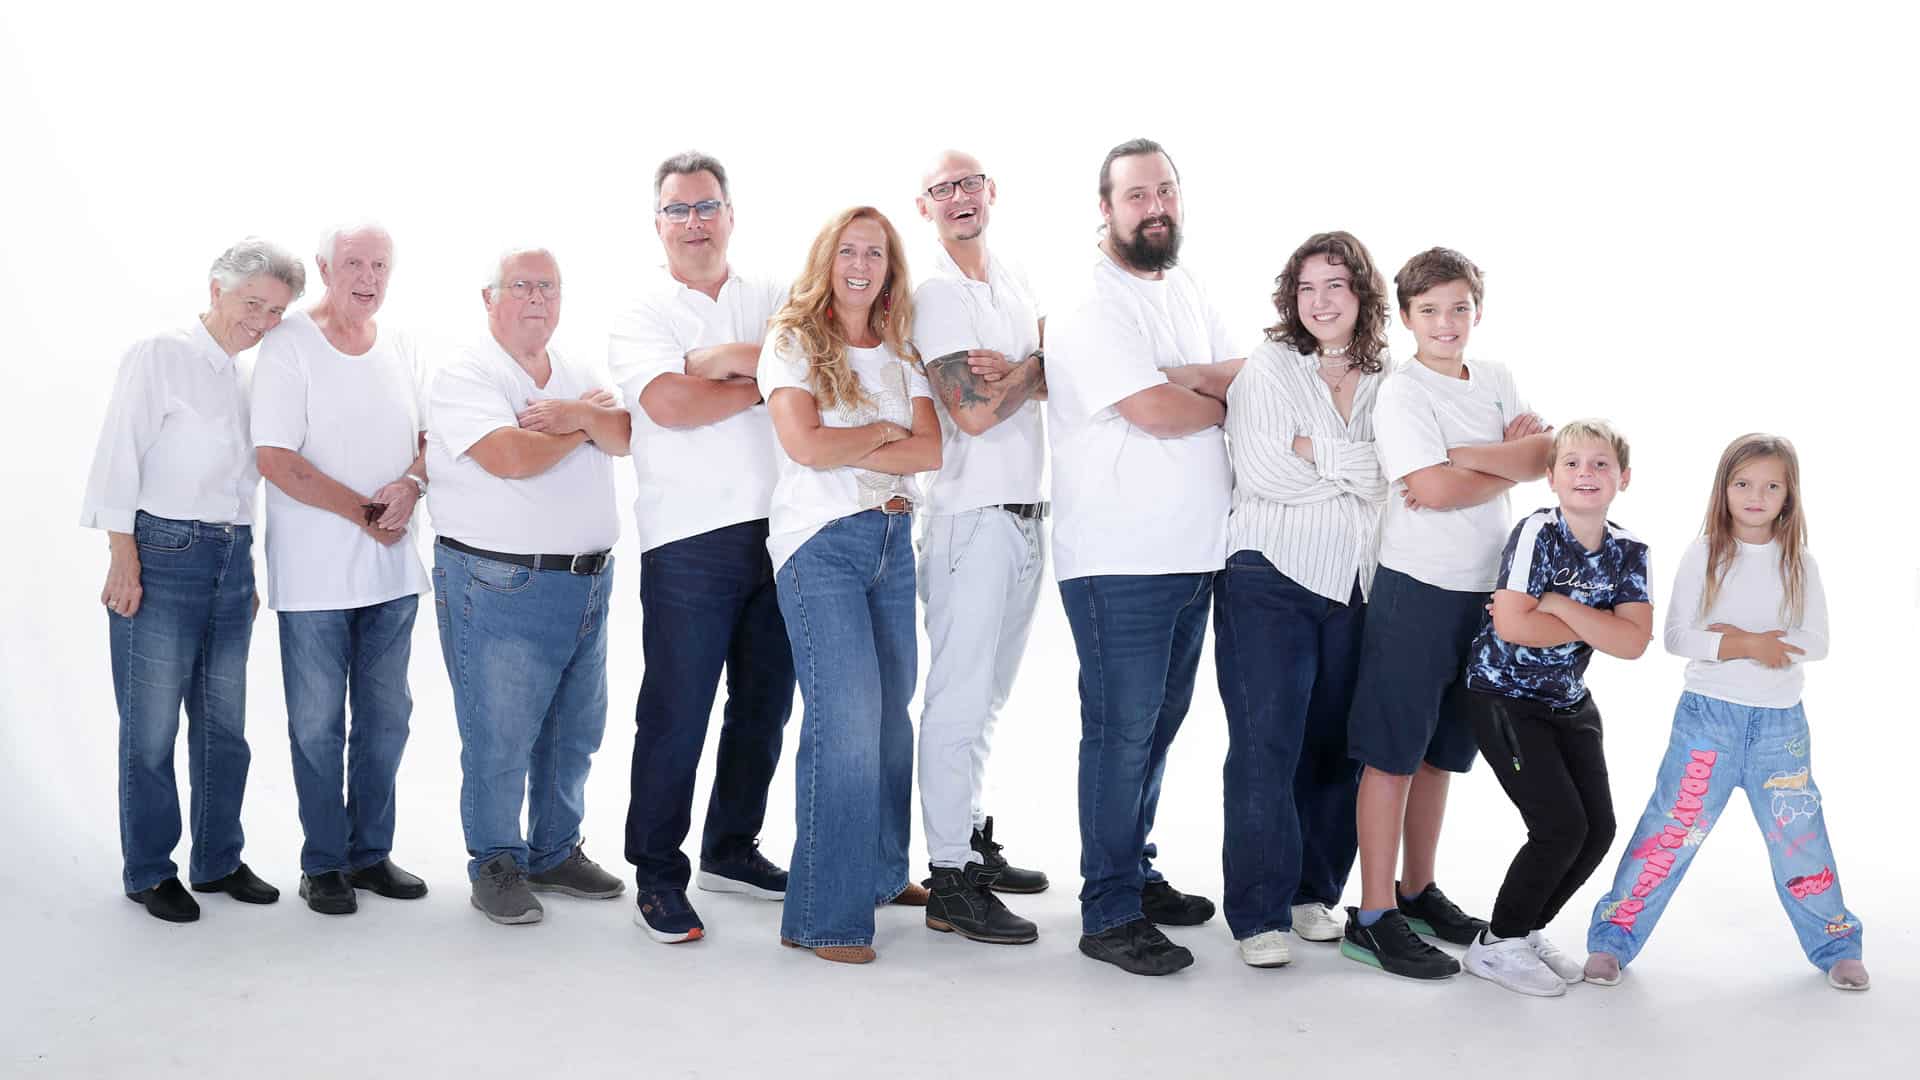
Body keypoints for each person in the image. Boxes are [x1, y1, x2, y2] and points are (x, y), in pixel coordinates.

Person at [1046, 138, 1240, 976]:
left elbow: (1248, 375)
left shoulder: (1186, 286)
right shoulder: (1091, 302)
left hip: (1194, 556)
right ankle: (1109, 911)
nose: (1154, 206)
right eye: (1136, 194)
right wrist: (1204, 393)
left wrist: (1190, 378)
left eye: (1165, 190)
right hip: (1118, 562)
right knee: (1120, 734)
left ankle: (1134, 868)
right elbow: (1157, 412)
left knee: (1157, 728)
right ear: (1106, 208)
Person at [1584, 434, 1869, 991]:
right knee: (1669, 830)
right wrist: (1749, 643)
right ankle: (1613, 939)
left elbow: (1816, 643)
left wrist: (1738, 638)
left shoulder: (1799, 562)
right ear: (1724, 489)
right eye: (1743, 484)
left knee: (1800, 838)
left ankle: (1837, 944)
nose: (1755, 496)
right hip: (1707, 722)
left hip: (1780, 730)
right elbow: (1677, 636)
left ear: (1788, 496)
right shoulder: (1705, 553)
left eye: (1770, 486)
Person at [1341, 247, 1552, 979]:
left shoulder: (1494, 377)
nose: (1445, 322)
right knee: (1392, 753)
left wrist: (1469, 458)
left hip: (1487, 592)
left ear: (1477, 310)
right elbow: (1429, 490)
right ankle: (1374, 914)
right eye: (1429, 310)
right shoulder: (1402, 393)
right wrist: (1500, 457)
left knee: (1442, 753)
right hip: (1418, 587)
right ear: (1406, 317)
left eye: (1459, 307)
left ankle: (1417, 889)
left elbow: (1544, 458)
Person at [82, 237, 305, 922]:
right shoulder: (160, 354)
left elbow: (242, 485)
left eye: (276, 311)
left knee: (224, 725)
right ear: (215, 290)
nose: (262, 321)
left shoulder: (247, 377)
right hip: (162, 551)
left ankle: (217, 860)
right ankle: (150, 870)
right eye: (252, 304)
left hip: (229, 558)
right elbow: (118, 453)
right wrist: (123, 556)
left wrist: (245, 569)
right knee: (150, 729)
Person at [609, 151, 793, 945]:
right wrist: (766, 382)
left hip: (783, 530)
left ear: (730, 214)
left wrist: (723, 368)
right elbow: (669, 404)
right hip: (687, 540)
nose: (694, 222)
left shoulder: (776, 295)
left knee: (764, 707)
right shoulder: (641, 311)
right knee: (676, 713)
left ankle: (730, 848)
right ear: (658, 223)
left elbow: (815, 366)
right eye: (678, 209)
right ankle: (657, 874)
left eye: (706, 206)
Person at [426, 247, 632, 925]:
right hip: (501, 583)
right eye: (522, 286)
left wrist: (576, 415)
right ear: (489, 298)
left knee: (576, 731)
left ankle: (553, 850)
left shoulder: (576, 372)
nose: (538, 297)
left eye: (549, 286)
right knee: (501, 736)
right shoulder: (467, 372)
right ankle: (495, 861)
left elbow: (624, 436)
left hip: (586, 582)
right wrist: (582, 423)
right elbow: (510, 457)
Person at [758, 207, 941, 964]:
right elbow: (804, 446)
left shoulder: (903, 350)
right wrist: (883, 434)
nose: (860, 264)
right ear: (826, 261)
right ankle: (823, 917)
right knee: (847, 723)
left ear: (890, 267)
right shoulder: (793, 341)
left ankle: (882, 872)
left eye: (875, 253)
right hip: (822, 546)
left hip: (893, 544)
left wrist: (854, 442)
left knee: (891, 718)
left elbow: (929, 451)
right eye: (848, 251)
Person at [1214, 231, 1389, 968]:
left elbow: (1395, 475)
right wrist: (1356, 468)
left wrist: (1315, 450)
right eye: (1307, 288)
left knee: (1337, 747)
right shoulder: (1269, 367)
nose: (1320, 301)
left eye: (1335, 285)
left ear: (1361, 294)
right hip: (1268, 577)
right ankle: (1259, 914)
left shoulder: (1390, 376)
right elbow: (1262, 471)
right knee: (1267, 745)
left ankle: (1313, 893)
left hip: (1355, 584)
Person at [253, 223, 431, 916]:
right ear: (325, 269)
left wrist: (411, 485)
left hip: (392, 575)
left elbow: (431, 440)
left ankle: (369, 854)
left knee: (387, 722)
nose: (368, 277)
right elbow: (277, 459)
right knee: (317, 726)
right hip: (314, 577)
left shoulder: (401, 344)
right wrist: (365, 513)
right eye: (354, 263)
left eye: (380, 265)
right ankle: (324, 862)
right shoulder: (289, 344)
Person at [1456, 420, 1651, 996]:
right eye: (1572, 463)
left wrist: (1560, 605)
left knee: (1598, 830)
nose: (1585, 473)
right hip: (1505, 696)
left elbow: (1633, 643)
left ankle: (1526, 929)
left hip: (1570, 701)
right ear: (1551, 477)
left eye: (1600, 464)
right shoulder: (1537, 532)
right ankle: (1496, 945)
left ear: (1623, 477)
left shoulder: (1629, 550)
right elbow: (1513, 627)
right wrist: (1600, 622)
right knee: (1559, 827)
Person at [910, 149, 1050, 947]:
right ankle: (949, 878)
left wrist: (1022, 371)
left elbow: (1046, 379)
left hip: (1027, 514)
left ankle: (966, 836)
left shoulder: (1013, 279)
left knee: (988, 697)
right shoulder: (935, 293)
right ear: (925, 205)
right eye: (944, 189)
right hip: (972, 518)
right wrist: (1038, 367)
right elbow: (971, 411)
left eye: (970, 183)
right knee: (959, 699)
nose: (960, 197)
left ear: (991, 191)